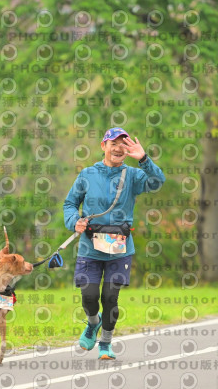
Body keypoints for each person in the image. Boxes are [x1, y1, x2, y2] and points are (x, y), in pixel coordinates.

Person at [63, 127, 165, 359]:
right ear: (103, 146)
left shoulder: (133, 175)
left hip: (119, 248)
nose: (118, 148)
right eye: (113, 144)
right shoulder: (87, 174)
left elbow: (158, 182)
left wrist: (144, 159)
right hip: (90, 247)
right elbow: (70, 204)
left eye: (123, 145)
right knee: (89, 296)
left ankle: (106, 343)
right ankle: (93, 323)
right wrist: (74, 221)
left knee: (110, 297)